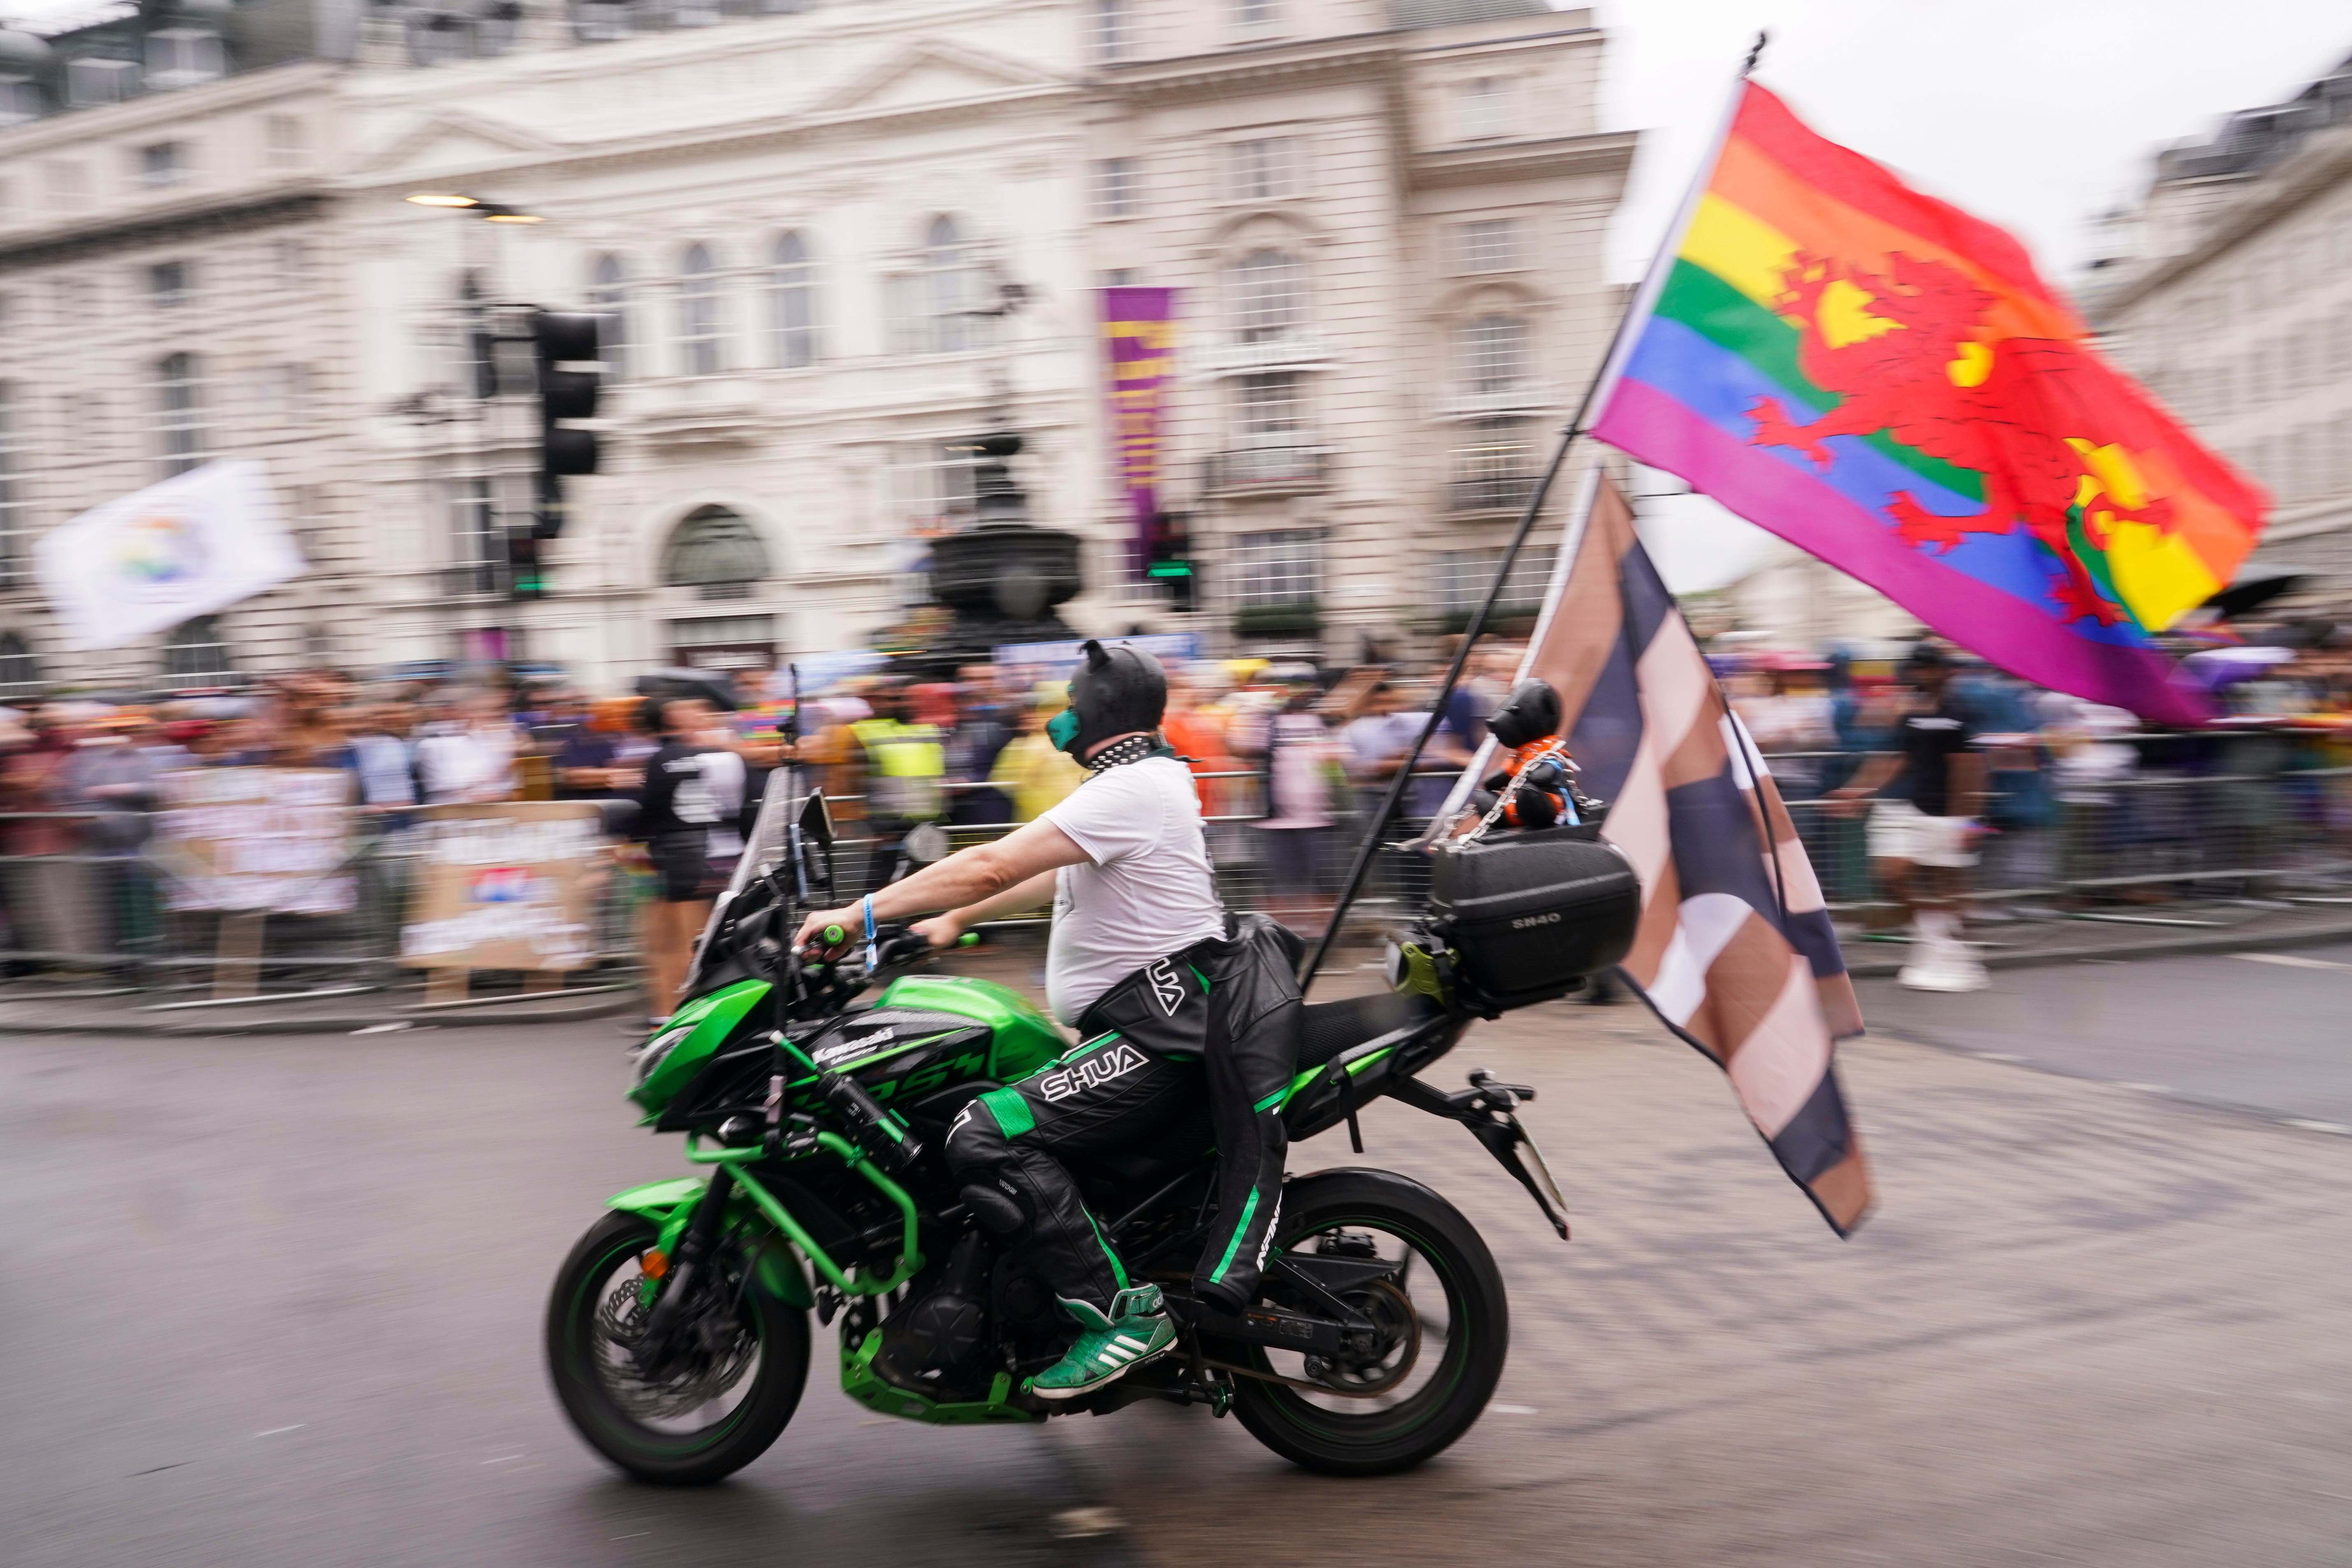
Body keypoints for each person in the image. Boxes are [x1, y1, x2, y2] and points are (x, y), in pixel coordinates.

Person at [794, 641, 1301, 1403]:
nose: (1058, 718)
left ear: (1097, 711)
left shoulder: (1131, 787)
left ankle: (1118, 1317)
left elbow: (995, 861)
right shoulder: (1141, 782)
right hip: (1147, 1026)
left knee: (984, 1133)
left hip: (1157, 1036)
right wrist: (947, 920)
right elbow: (1041, 874)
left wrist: (858, 912)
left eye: (1069, 701)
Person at [1827, 644, 1989, 991]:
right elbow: (1895, 758)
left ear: (1944, 672)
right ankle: (1935, 939)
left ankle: (1960, 954)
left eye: (1927, 669)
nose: (1919, 675)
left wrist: (1968, 820)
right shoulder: (1909, 712)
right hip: (1912, 805)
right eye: (1915, 669)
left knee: (1947, 885)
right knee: (1892, 874)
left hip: (1948, 810)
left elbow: (1971, 769)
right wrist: (1856, 790)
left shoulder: (1960, 713)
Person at [631, 696, 747, 1024]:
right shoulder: (731, 758)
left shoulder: (663, 758)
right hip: (723, 858)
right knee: (705, 942)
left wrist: (631, 847)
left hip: (679, 858)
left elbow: (650, 811)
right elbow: (747, 809)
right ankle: (681, 1014)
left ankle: (675, 1017)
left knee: (674, 944)